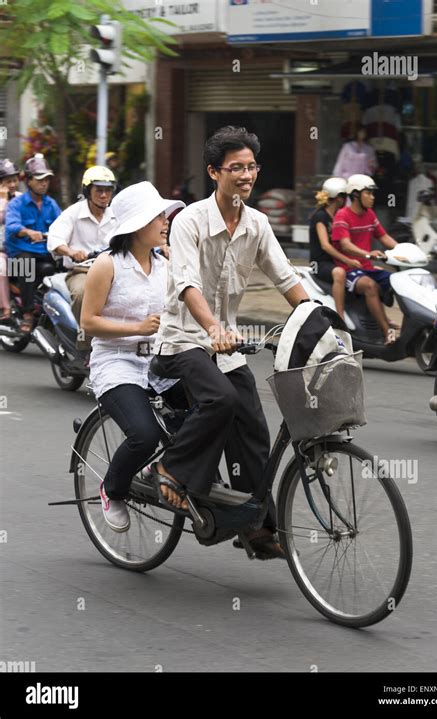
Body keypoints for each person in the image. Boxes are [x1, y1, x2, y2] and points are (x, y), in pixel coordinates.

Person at [152, 125, 310, 560]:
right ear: (213, 172)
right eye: (235, 167)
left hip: (226, 350)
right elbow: (185, 283)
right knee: (220, 400)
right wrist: (214, 328)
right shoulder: (189, 221)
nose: (246, 175)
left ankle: (256, 528)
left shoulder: (256, 224)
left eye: (251, 166)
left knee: (254, 428)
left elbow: (287, 279)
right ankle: (171, 469)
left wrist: (318, 318)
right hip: (182, 341)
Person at [80, 181, 185, 532]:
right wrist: (137, 328)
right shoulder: (107, 265)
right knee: (143, 433)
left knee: (212, 406)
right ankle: (112, 488)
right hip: (116, 363)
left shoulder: (166, 264)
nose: (165, 220)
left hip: (158, 361)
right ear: (139, 224)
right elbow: (89, 322)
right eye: (158, 216)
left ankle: (165, 470)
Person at [47, 166, 117, 351]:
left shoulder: (117, 215)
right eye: (99, 190)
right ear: (87, 191)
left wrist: (163, 247)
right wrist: (71, 252)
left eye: (108, 190)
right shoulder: (73, 213)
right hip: (82, 271)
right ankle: (85, 347)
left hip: (113, 271)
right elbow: (54, 239)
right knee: (82, 294)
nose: (104, 195)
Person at [331, 174, 399, 345]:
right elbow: (346, 246)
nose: (372, 197)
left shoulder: (370, 214)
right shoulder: (342, 215)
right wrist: (367, 255)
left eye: (372, 194)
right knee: (370, 286)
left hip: (367, 267)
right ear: (355, 195)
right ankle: (386, 332)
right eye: (368, 193)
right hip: (349, 269)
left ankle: (384, 318)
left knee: (397, 281)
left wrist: (404, 252)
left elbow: (384, 237)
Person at [5, 153, 60, 332]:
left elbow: (64, 224)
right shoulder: (16, 204)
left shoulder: (51, 204)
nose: (44, 183)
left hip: (44, 253)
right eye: (39, 179)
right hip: (19, 255)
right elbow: (12, 226)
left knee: (64, 269)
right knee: (25, 262)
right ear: (28, 181)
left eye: (47, 179)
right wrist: (27, 232)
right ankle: (27, 315)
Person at [309, 177, 359, 320]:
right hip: (321, 263)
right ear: (338, 198)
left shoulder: (338, 217)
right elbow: (325, 245)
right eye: (344, 196)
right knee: (339, 273)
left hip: (334, 260)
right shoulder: (320, 217)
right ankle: (340, 315)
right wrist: (347, 260)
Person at [0, 159, 22, 322]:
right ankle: (5, 308)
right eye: (8, 181)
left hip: (19, 248)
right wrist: (4, 200)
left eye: (14, 180)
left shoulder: (22, 198)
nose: (13, 184)